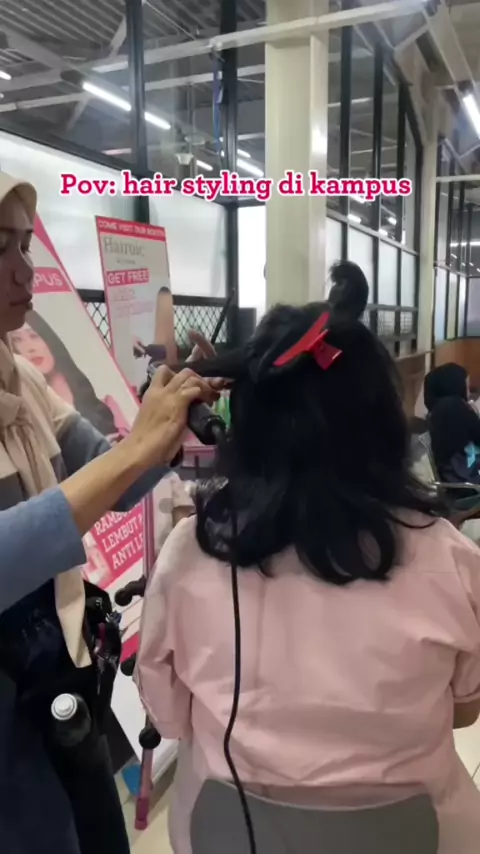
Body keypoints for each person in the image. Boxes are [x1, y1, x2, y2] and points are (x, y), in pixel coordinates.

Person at [137, 300, 480, 854]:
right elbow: (465, 710)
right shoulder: (453, 560)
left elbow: (171, 716)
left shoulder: (192, 553)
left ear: (245, 427)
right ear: (384, 423)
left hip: (228, 837)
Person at [0, 170, 217, 854]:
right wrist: (139, 449)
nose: (23, 270)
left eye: (25, 245)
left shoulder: (21, 378)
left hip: (57, 678)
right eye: (0, 248)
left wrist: (166, 420)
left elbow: (111, 473)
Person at [10, 310, 126, 439]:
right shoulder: (22, 405)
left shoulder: (100, 401)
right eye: (17, 340)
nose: (30, 348)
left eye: (34, 336)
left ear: (49, 339)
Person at [424, 364, 480, 488]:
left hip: (457, 476)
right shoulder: (453, 407)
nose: (469, 393)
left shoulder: (437, 410)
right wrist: (473, 412)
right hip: (467, 479)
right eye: (466, 386)